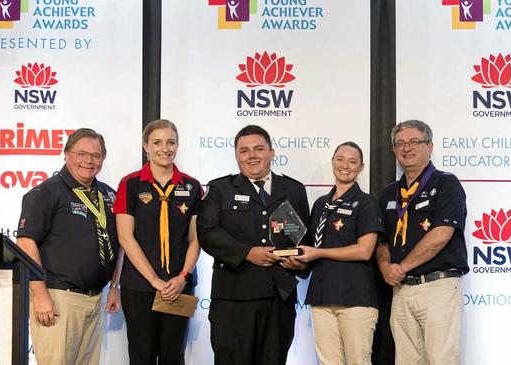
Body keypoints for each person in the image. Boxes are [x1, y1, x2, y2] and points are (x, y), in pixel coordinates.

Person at [197, 124, 310, 365]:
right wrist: (247, 253)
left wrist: (300, 263)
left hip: (278, 297)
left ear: (271, 151)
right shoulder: (220, 189)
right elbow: (207, 232)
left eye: (259, 149)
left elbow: (304, 240)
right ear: (236, 155)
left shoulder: (294, 189)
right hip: (233, 296)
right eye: (244, 150)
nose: (252, 156)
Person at [16, 128, 122, 365]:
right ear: (66, 154)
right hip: (58, 298)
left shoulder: (108, 195)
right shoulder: (46, 192)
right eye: (81, 153)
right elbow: (25, 242)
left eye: (96, 155)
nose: (89, 161)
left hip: (96, 298)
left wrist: (115, 285)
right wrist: (40, 294)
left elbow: (120, 243)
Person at [375, 120, 469, 365]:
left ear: (430, 146)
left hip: (437, 287)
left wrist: (401, 267)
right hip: (401, 290)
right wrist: (386, 267)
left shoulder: (446, 183)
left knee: (441, 360)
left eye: (414, 141)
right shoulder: (388, 193)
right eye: (400, 143)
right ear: (394, 150)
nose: (407, 148)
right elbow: (381, 241)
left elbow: (440, 235)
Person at [113, 119, 202, 365]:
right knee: (142, 356)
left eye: (171, 142)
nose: (165, 148)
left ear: (178, 145)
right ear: (146, 147)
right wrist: (154, 280)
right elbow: (125, 237)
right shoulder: (129, 184)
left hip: (178, 286)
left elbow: (196, 239)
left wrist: (183, 276)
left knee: (173, 357)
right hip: (140, 285)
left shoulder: (192, 186)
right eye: (157, 142)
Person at [296, 141, 384, 365]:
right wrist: (296, 259)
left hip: (355, 299)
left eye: (353, 161)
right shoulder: (320, 204)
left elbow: (364, 251)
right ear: (333, 162)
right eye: (340, 159)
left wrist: (318, 253)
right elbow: (310, 248)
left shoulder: (366, 203)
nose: (346, 165)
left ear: (361, 167)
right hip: (322, 297)